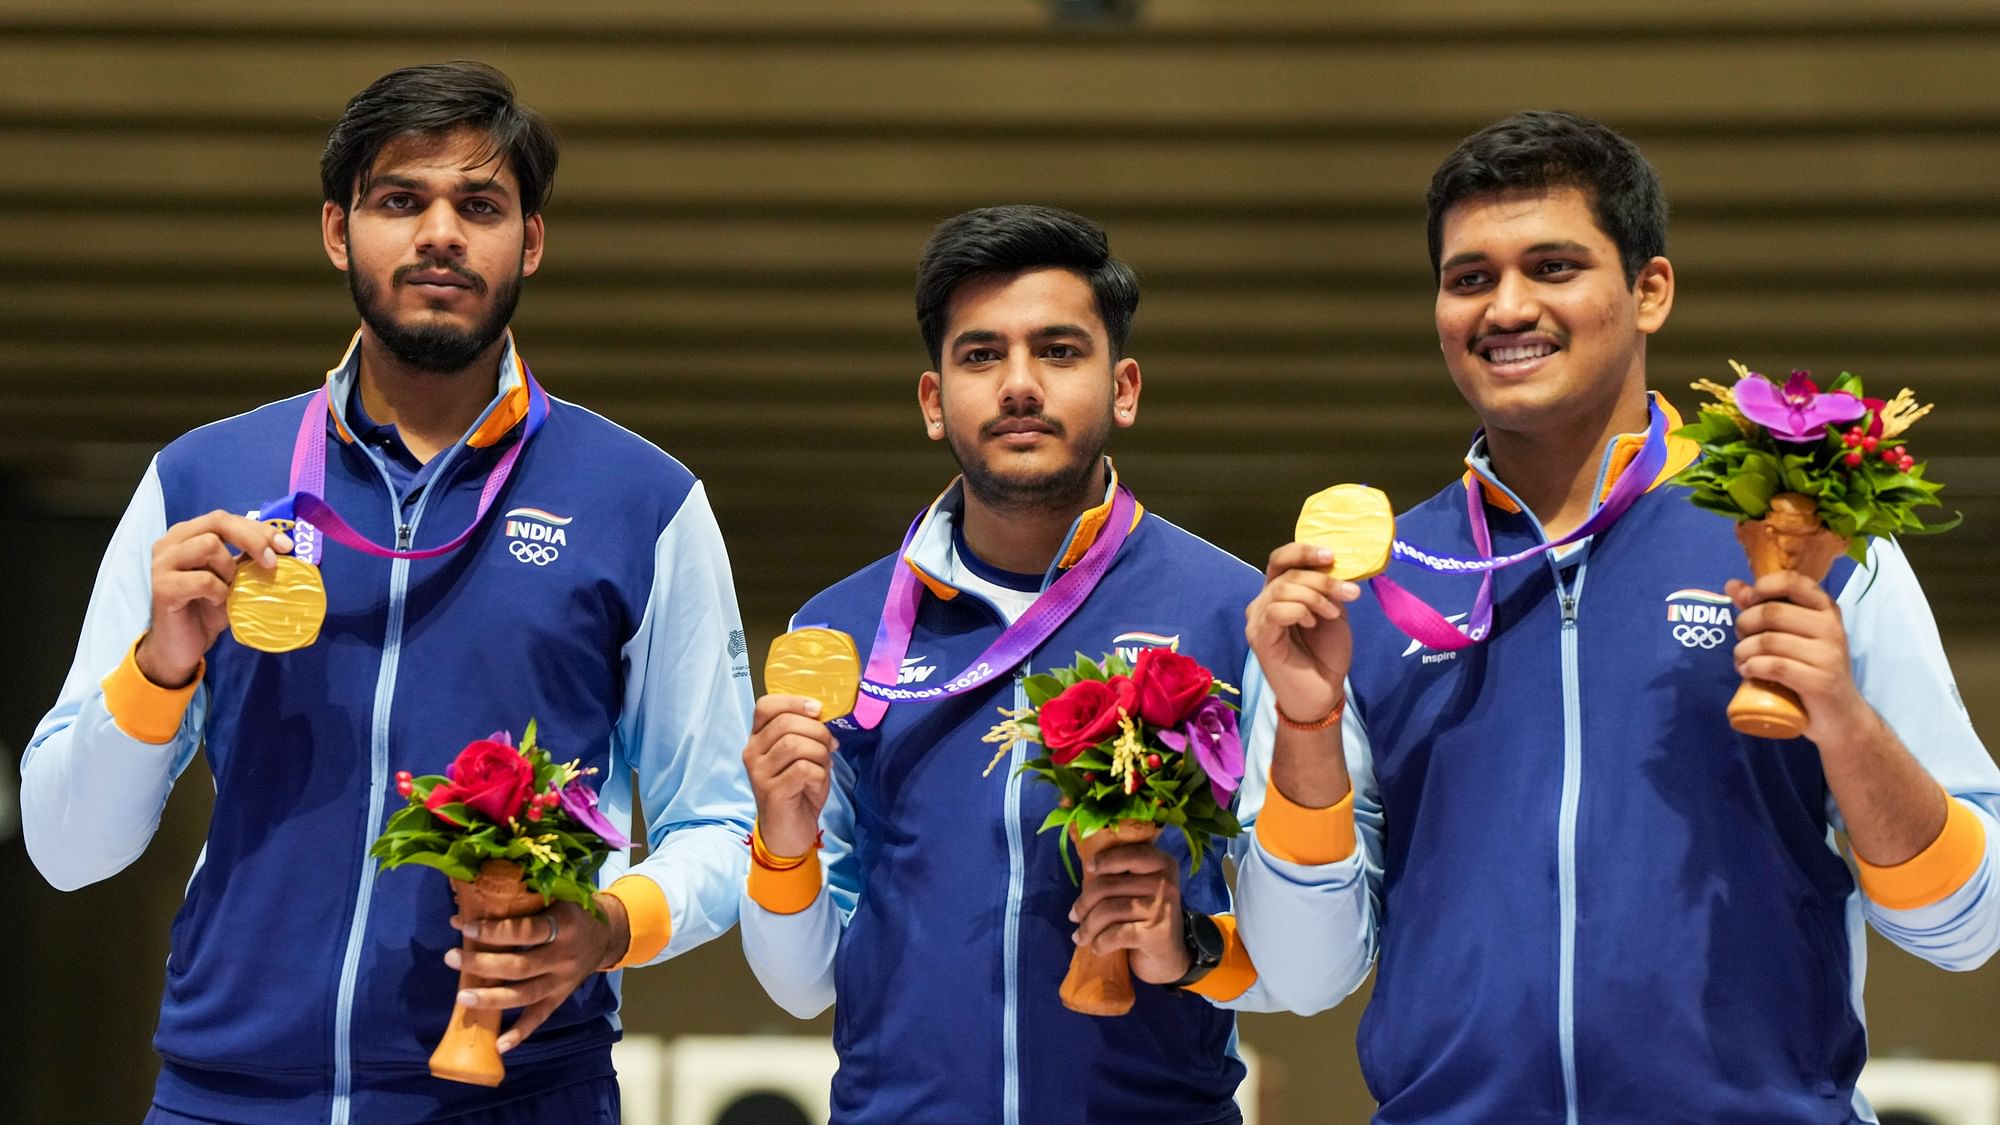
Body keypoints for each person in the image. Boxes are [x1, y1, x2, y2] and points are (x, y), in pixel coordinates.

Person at [22, 61, 756, 1124]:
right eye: (400, 200)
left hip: (519, 1091)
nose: (441, 233)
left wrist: (609, 924)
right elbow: (67, 848)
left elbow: (723, 827)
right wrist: (161, 667)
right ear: (337, 231)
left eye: (481, 205)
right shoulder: (205, 481)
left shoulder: (643, 501)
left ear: (531, 243)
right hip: (227, 1093)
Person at [1237, 110, 2000, 1123]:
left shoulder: (1813, 546)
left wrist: (1843, 722)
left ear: (1649, 291)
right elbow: (1301, 976)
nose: (1505, 307)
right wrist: (1300, 728)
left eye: (1551, 267)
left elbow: (1965, 924)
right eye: (1468, 278)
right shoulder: (1361, 590)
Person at [737, 205, 1291, 1125]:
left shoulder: (1230, 612)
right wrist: (782, 837)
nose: (1020, 384)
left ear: (1124, 388)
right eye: (982, 354)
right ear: (932, 398)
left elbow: (1304, 959)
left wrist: (1183, 941)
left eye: (1060, 351)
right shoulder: (837, 630)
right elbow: (801, 986)